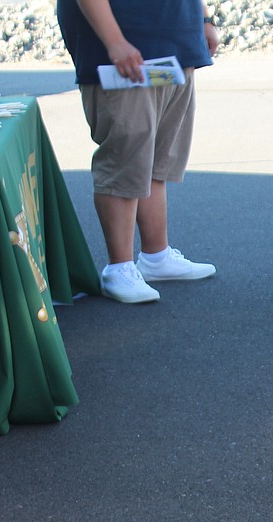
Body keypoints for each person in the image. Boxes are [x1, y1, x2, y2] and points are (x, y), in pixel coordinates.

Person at [56, 0, 219, 304]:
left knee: (159, 157)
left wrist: (205, 19)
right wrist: (115, 41)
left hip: (176, 40)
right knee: (125, 155)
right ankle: (119, 267)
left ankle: (156, 256)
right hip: (124, 45)